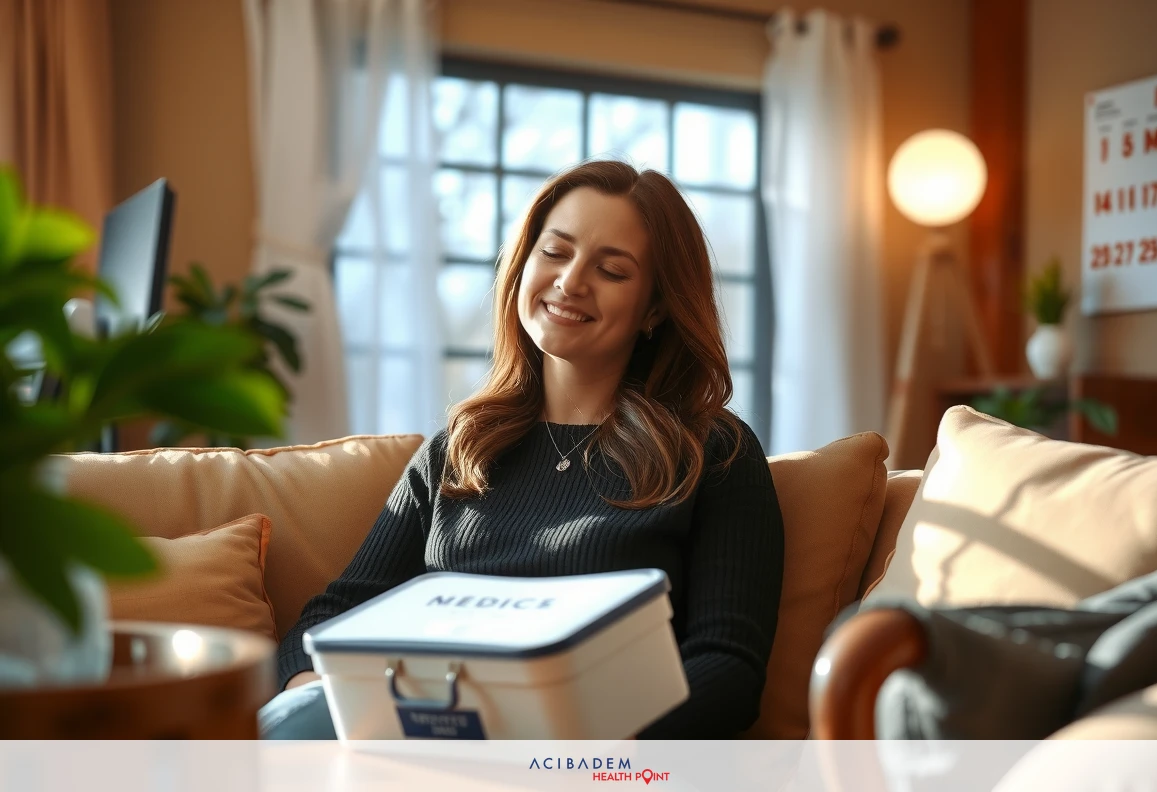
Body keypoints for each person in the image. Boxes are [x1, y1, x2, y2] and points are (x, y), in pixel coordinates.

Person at [260, 160, 785, 740]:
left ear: (656, 308)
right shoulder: (458, 449)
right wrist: (315, 695)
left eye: (611, 270)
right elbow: (329, 619)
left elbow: (727, 668)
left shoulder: (712, 452)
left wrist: (563, 745)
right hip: (424, 747)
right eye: (555, 253)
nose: (571, 282)